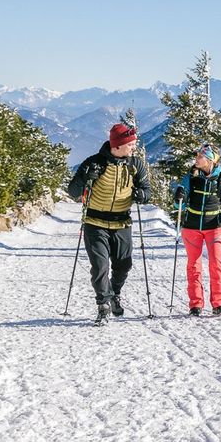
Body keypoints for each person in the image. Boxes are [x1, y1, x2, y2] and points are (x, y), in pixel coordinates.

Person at [66, 122, 152, 324]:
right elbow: (73, 192)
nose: (134, 147)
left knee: (124, 265)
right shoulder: (93, 163)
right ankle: (103, 305)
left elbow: (147, 190)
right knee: (100, 266)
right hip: (95, 223)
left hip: (122, 223)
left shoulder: (135, 165)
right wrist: (86, 178)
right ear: (118, 145)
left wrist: (142, 195)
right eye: (131, 144)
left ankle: (114, 293)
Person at [172, 142, 221, 316]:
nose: (197, 159)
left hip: (214, 226)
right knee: (194, 265)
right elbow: (179, 202)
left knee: (216, 263)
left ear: (211, 160)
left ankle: (218, 304)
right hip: (191, 226)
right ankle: (195, 304)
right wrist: (179, 196)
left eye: (200, 156)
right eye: (197, 156)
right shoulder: (190, 177)